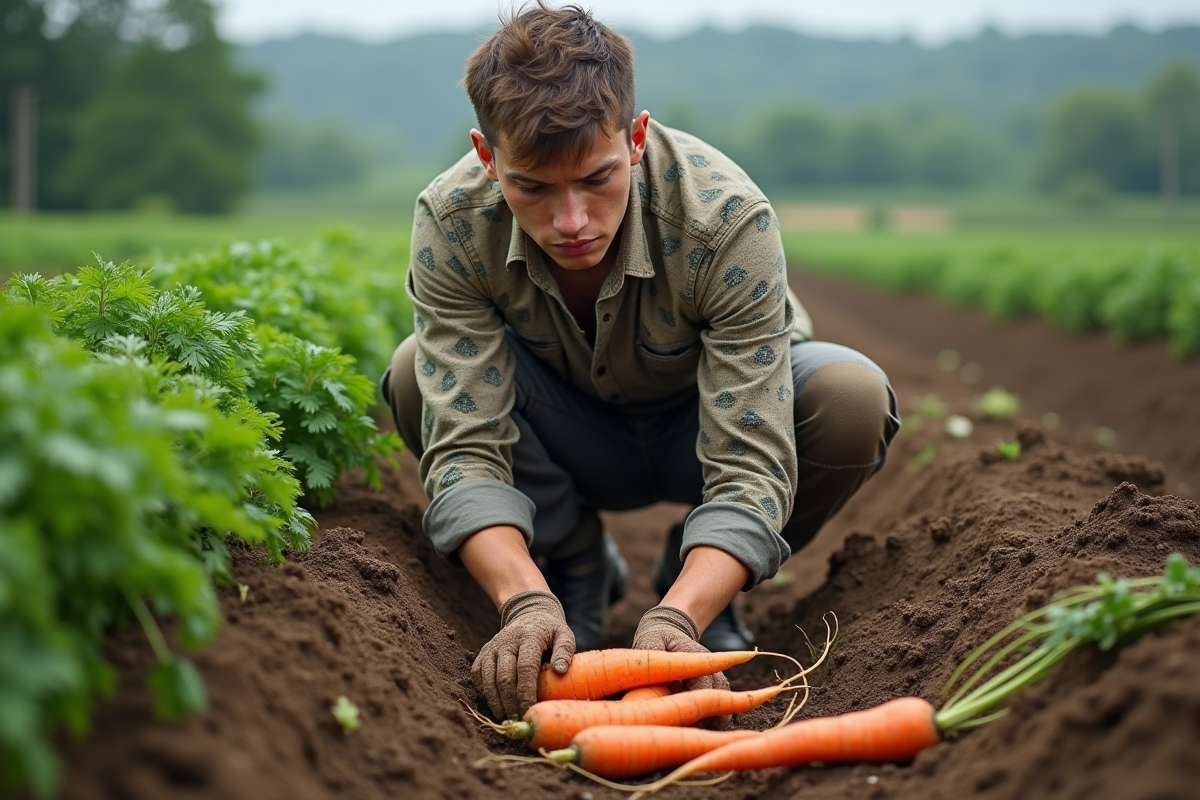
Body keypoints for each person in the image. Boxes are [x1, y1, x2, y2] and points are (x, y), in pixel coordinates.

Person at [379, 1, 900, 722]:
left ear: (635, 137)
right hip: (567, 435)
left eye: (596, 179)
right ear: (487, 156)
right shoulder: (452, 221)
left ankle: (691, 585)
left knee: (849, 396)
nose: (571, 222)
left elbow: (751, 460)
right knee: (412, 375)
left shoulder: (723, 219)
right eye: (532, 185)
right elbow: (465, 446)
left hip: (704, 430)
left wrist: (679, 617)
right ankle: (570, 571)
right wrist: (523, 601)